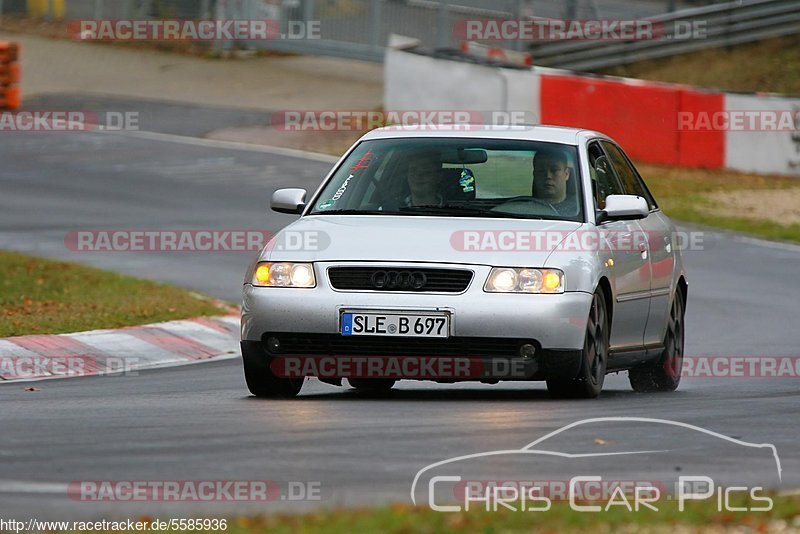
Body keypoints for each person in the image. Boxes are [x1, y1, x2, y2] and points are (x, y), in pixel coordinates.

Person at [531, 147, 576, 216]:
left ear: (567, 174)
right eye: (541, 171)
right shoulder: (520, 208)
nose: (548, 176)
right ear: (534, 174)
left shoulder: (581, 209)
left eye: (554, 170)